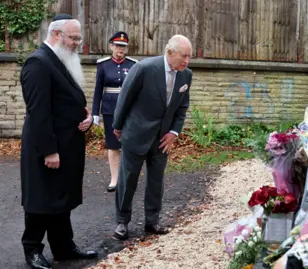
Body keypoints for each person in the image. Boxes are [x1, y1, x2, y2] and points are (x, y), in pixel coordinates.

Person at [19, 14, 98, 269]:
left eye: (78, 38)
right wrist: (49, 151)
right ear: (56, 35)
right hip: (47, 148)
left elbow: (65, 100)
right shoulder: (38, 63)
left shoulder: (59, 59)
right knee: (41, 200)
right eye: (73, 38)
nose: (77, 43)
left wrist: (85, 117)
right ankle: (32, 250)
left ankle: (63, 247)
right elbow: (39, 111)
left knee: (61, 198)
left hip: (67, 145)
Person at [112, 35, 192, 240]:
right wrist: (118, 126)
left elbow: (182, 108)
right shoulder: (145, 68)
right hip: (135, 134)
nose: (187, 61)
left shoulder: (186, 76)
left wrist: (174, 133)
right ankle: (122, 222)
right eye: (184, 56)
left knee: (156, 181)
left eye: (189, 57)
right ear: (170, 52)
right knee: (127, 180)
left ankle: (152, 221)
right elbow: (125, 97)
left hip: (162, 139)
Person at [92, 31, 138, 192]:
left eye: (124, 46)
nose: (121, 49)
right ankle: (115, 179)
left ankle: (128, 178)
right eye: (118, 46)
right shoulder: (103, 65)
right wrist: (95, 113)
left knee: (128, 145)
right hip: (110, 109)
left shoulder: (133, 65)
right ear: (111, 46)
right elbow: (98, 90)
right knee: (113, 145)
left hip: (129, 110)